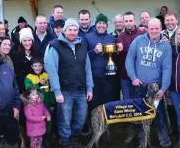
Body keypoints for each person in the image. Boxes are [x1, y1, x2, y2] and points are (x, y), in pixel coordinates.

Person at [44, 18, 94, 148]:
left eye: (75, 29)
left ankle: (75, 138)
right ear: (64, 30)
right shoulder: (55, 46)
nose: (72, 32)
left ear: (78, 31)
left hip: (81, 89)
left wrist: (90, 88)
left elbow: (87, 68)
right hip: (65, 91)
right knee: (65, 119)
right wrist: (57, 92)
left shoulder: (82, 44)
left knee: (81, 117)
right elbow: (52, 71)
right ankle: (65, 141)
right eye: (70, 29)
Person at [126, 18, 172, 148]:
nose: (154, 31)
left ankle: (165, 141)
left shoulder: (166, 45)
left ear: (160, 28)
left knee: (160, 115)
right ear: (147, 29)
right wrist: (133, 77)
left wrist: (163, 89)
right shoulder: (138, 41)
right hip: (140, 85)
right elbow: (129, 59)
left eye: (157, 28)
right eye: (151, 28)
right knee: (141, 114)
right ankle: (143, 142)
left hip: (156, 86)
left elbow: (167, 68)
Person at [85, 14, 123, 140]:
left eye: (104, 23)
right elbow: (83, 57)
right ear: (95, 25)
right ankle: (94, 130)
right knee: (94, 106)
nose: (101, 25)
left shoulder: (111, 37)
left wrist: (118, 50)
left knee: (107, 104)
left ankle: (107, 131)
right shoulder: (88, 37)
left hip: (108, 77)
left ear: (107, 25)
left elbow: (114, 57)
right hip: (94, 78)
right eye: (99, 23)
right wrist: (94, 51)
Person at [114, 11, 147, 144]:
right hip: (125, 77)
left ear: (135, 21)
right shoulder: (120, 37)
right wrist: (118, 51)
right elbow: (116, 59)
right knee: (128, 105)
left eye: (130, 21)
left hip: (141, 77)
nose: (128, 23)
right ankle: (130, 132)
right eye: (126, 21)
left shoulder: (143, 34)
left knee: (140, 105)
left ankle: (142, 135)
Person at [10, 27, 36, 147]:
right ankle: (23, 141)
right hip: (21, 92)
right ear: (21, 42)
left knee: (34, 117)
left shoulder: (36, 54)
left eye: (29, 40)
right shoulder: (15, 55)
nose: (27, 43)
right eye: (24, 40)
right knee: (23, 119)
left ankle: (34, 140)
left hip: (34, 92)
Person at [24, 58, 55, 147]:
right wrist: (39, 84)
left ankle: (46, 141)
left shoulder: (46, 75)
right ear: (32, 67)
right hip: (35, 107)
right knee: (36, 123)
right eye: (35, 66)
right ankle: (35, 144)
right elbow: (29, 89)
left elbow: (50, 90)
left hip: (46, 105)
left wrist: (52, 103)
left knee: (48, 123)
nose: (38, 68)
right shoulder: (28, 77)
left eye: (40, 65)